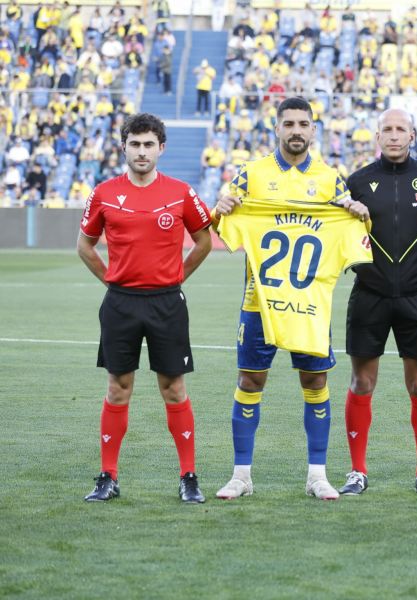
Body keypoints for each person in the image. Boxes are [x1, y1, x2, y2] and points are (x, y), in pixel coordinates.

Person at [211, 97, 371, 501]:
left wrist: (358, 214)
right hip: (259, 301)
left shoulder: (332, 180)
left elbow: (356, 235)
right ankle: (241, 475)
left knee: (315, 380)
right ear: (277, 128)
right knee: (250, 379)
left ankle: (317, 474)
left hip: (310, 303)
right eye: (289, 124)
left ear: (314, 130)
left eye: (304, 124)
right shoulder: (252, 175)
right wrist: (221, 208)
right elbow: (223, 226)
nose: (296, 130)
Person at [77, 113, 213, 503]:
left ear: (161, 148)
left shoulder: (181, 192)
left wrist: (178, 275)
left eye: (148, 144)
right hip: (120, 303)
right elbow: (85, 246)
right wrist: (111, 279)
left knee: (173, 388)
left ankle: (188, 477)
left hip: (167, 302)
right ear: (124, 147)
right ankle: (108, 476)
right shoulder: (103, 193)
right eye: (134, 144)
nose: (141, 151)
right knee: (118, 388)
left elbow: (203, 241)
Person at [340, 108, 417, 497]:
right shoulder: (356, 182)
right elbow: (341, 238)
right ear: (377, 136)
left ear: (412, 134)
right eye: (386, 129)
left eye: (400, 129)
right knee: (361, 381)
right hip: (369, 297)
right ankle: (357, 471)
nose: (393, 135)